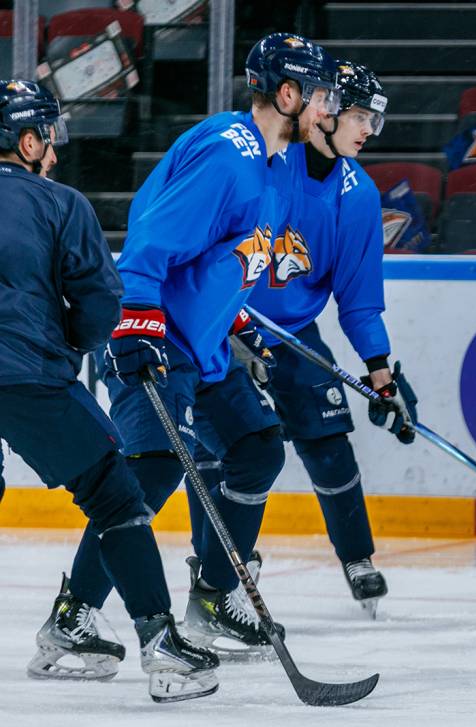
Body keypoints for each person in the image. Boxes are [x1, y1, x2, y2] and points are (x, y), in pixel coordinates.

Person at [42, 33, 340, 661]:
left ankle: (213, 596)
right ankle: (72, 619)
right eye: (318, 96)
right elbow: (151, 243)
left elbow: (219, 258)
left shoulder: (274, 162)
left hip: (201, 345)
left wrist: (234, 321)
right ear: (286, 95)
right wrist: (137, 323)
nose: (328, 110)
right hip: (155, 336)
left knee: (257, 447)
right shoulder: (228, 155)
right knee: (152, 469)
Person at [1, 79, 218, 701]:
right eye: (49, 136)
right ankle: (161, 643)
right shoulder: (60, 203)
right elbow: (101, 304)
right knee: (116, 498)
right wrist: (65, 345)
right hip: (27, 372)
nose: (55, 151)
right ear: (27, 139)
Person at [210, 60, 415, 615]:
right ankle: (226, 562)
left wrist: (380, 370)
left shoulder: (359, 195)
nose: (369, 129)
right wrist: (222, 323)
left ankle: (357, 557)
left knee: (327, 443)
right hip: (224, 327)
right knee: (231, 448)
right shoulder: (266, 162)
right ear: (321, 112)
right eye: (359, 116)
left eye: (374, 118)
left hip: (294, 332)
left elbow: (359, 298)